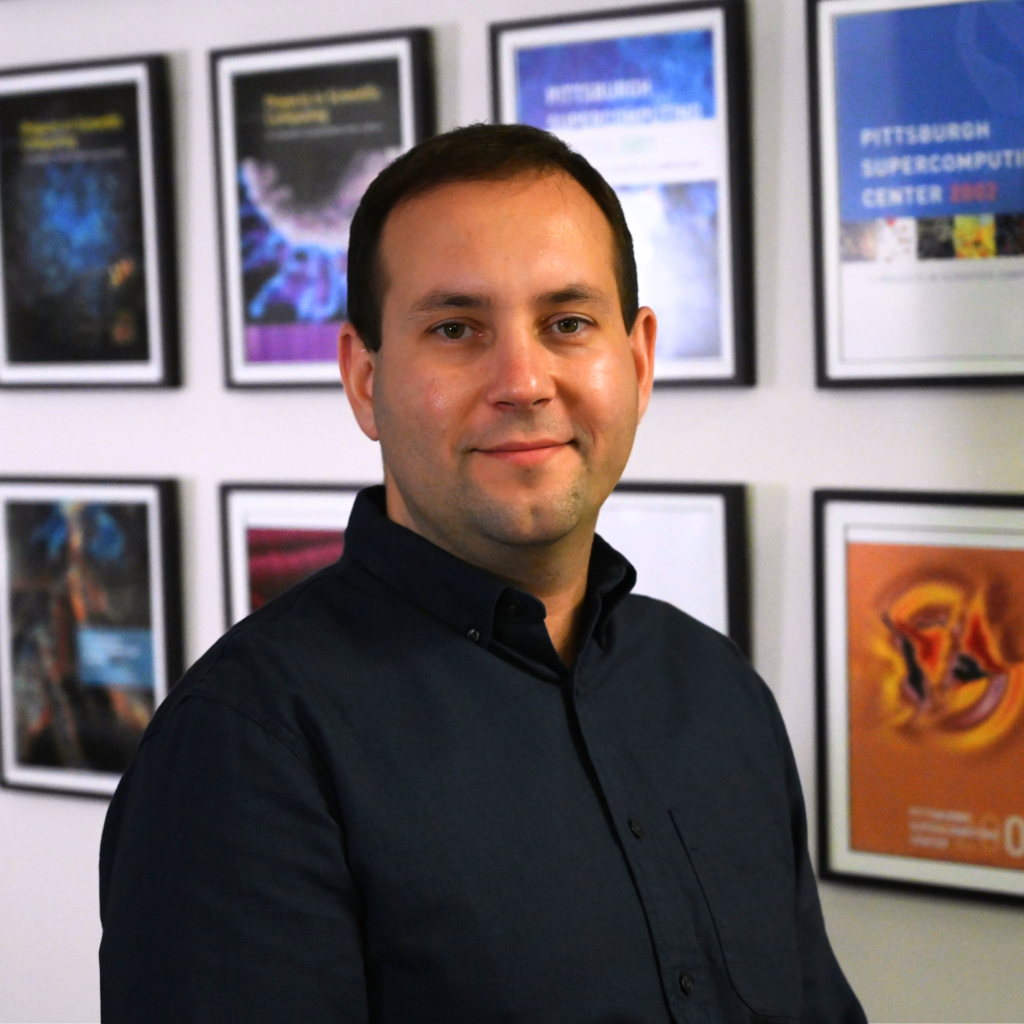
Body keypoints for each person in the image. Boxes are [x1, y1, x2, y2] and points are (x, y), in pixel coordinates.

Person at [99, 123, 865, 1024]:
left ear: (639, 358)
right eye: (457, 328)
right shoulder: (250, 746)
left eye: (568, 322)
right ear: (363, 378)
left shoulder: (716, 688)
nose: (523, 380)